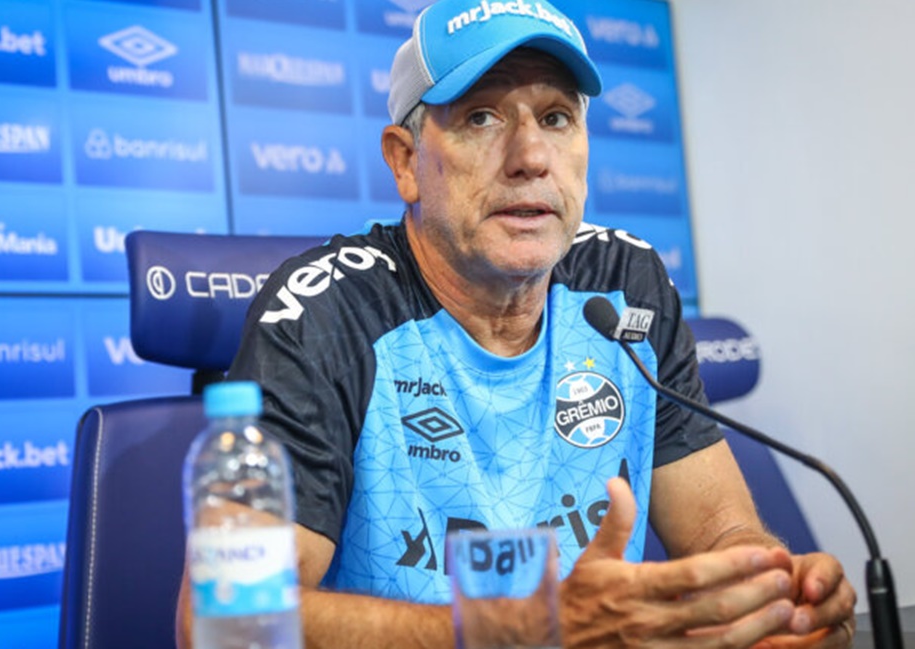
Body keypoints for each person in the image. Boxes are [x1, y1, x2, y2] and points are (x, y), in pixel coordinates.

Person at [177, 0, 857, 646]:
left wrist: (773, 592)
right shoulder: (324, 314)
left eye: (557, 117)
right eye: (482, 118)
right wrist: (524, 631)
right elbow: (227, 622)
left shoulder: (627, 285)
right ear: (406, 161)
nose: (531, 157)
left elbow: (720, 528)